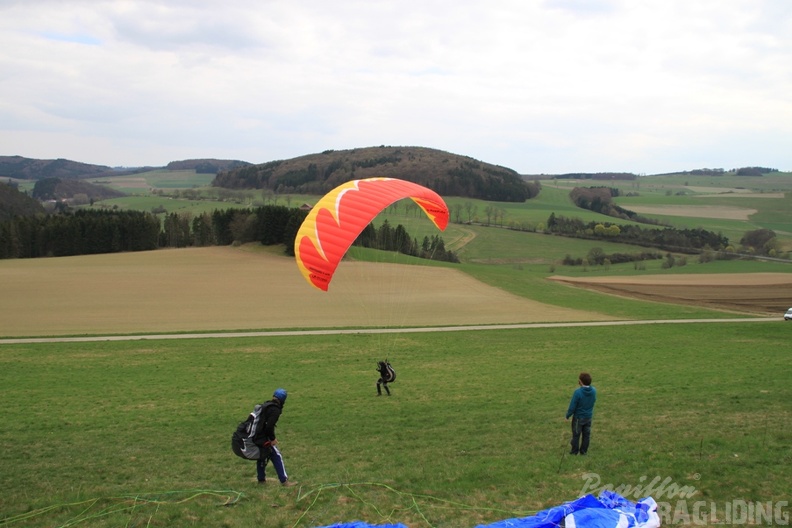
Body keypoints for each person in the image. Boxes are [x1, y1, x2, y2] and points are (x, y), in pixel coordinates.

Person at [233, 388, 296, 486]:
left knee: (263, 454)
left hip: (256, 437)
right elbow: (269, 427)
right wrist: (272, 439)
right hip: (259, 437)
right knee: (276, 454)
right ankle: (284, 481)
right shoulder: (275, 410)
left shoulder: (266, 405)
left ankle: (261, 480)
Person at [565, 372, 597, 455]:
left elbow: (572, 406)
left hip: (578, 418)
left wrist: (567, 415)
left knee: (576, 435)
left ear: (581, 381)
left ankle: (574, 451)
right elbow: (593, 401)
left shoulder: (577, 392)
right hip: (588, 417)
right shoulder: (593, 391)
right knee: (586, 435)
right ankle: (583, 452)